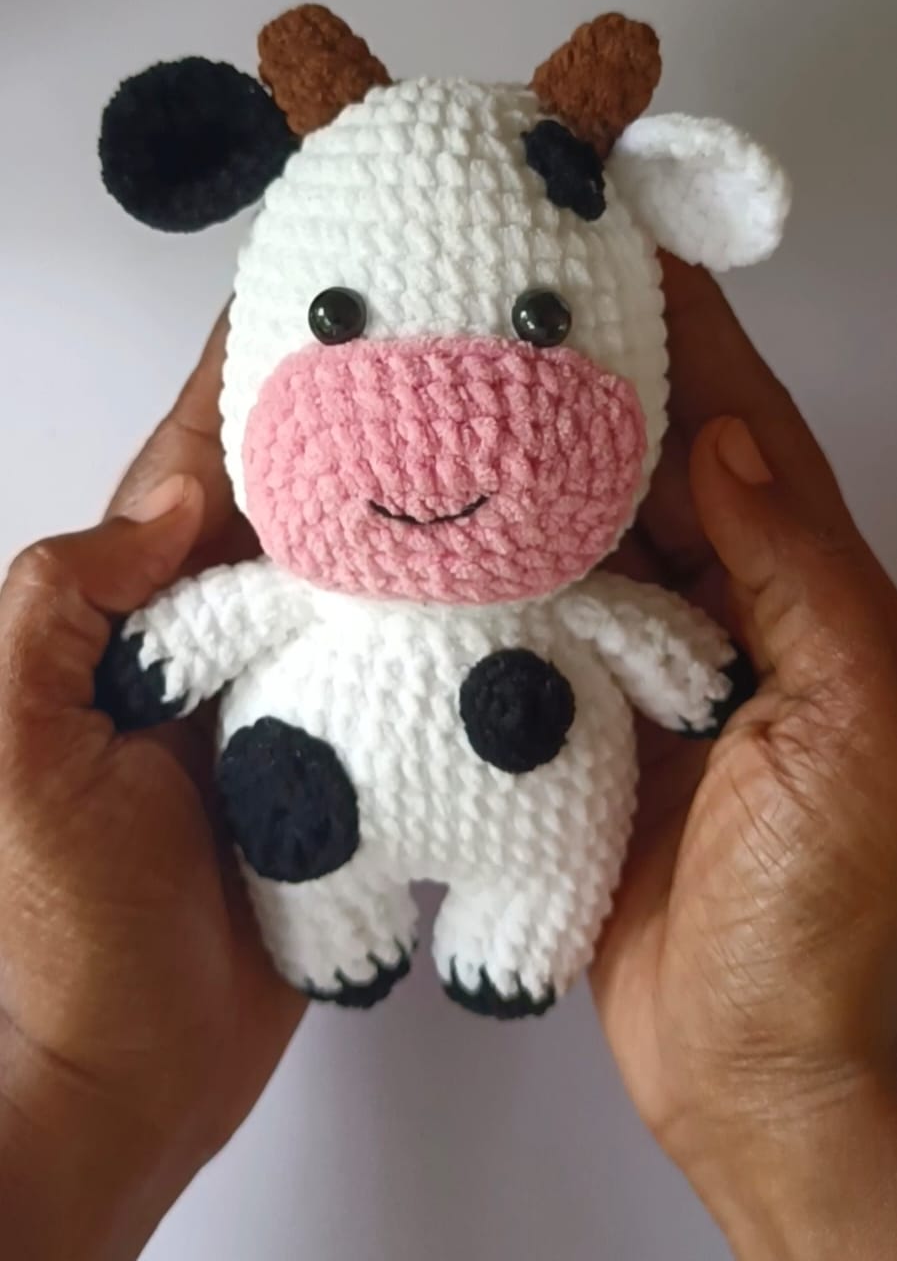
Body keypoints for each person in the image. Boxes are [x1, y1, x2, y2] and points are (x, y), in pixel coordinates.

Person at [1, 257, 896, 1261]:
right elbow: (189, 639)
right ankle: (334, 929)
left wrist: (81, 1083)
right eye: (335, 320)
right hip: (308, 821)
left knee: (534, 894)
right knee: (319, 887)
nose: (429, 418)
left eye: (540, 323)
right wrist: (789, 1092)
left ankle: (507, 937)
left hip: (545, 832)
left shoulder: (574, 604)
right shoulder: (300, 595)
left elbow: (673, 658)